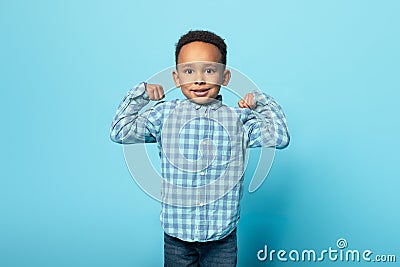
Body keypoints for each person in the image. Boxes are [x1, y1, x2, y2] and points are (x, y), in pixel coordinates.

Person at [110, 30, 290, 267]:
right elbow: (120, 131)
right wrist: (140, 95)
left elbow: (280, 137)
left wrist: (262, 103)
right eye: (188, 71)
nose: (199, 79)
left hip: (222, 238)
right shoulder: (164, 115)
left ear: (224, 77)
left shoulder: (238, 120)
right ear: (176, 78)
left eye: (209, 70)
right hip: (177, 236)